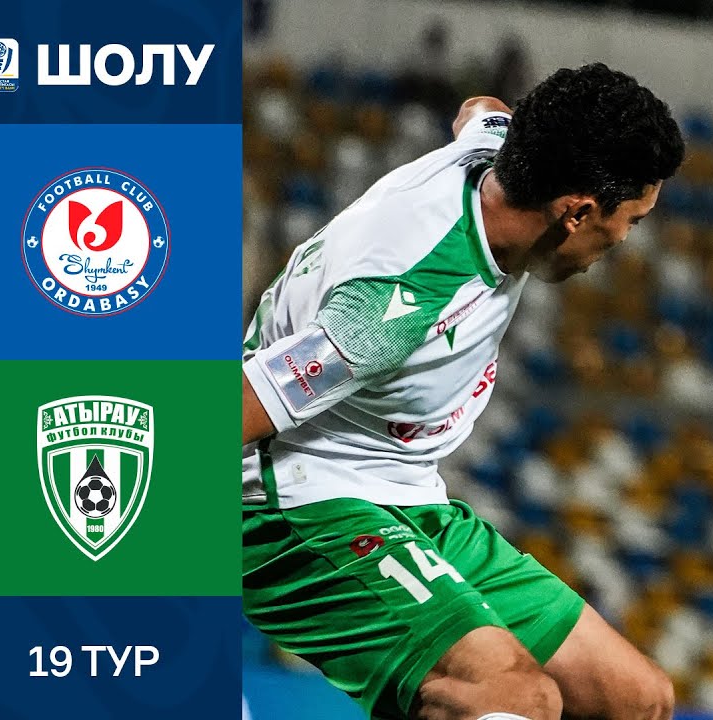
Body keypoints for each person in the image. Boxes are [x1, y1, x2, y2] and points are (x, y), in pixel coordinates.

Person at [242, 63, 685, 720]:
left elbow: (480, 107)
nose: (624, 241)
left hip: (405, 492)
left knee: (636, 700)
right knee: (511, 697)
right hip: (298, 503)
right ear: (577, 212)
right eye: (633, 221)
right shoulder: (396, 304)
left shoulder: (497, 148)